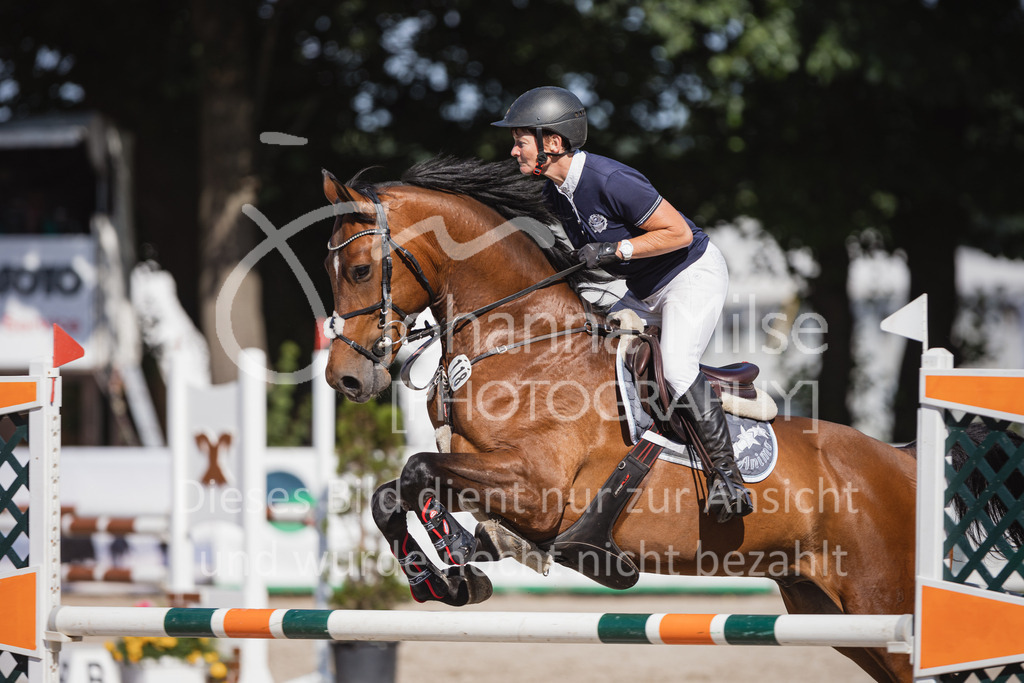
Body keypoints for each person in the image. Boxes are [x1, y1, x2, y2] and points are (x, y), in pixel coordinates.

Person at [492, 86, 752, 522]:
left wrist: (617, 252)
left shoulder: (609, 180)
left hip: (691, 275)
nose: (513, 150)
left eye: (520, 140)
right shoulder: (555, 192)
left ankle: (729, 479)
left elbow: (678, 234)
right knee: (588, 346)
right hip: (644, 290)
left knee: (677, 366)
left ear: (552, 143)